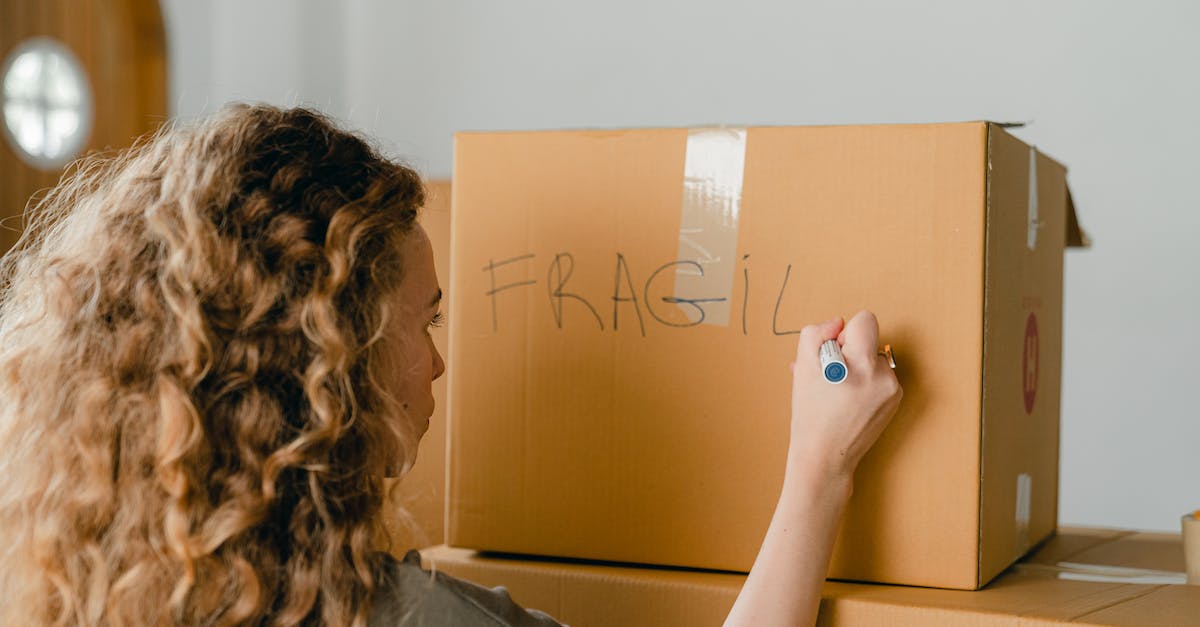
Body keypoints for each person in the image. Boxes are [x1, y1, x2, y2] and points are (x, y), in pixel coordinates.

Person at [0, 104, 902, 627]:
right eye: (423, 323)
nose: (437, 367)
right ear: (332, 361)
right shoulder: (399, 617)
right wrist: (821, 467)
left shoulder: (82, 588)